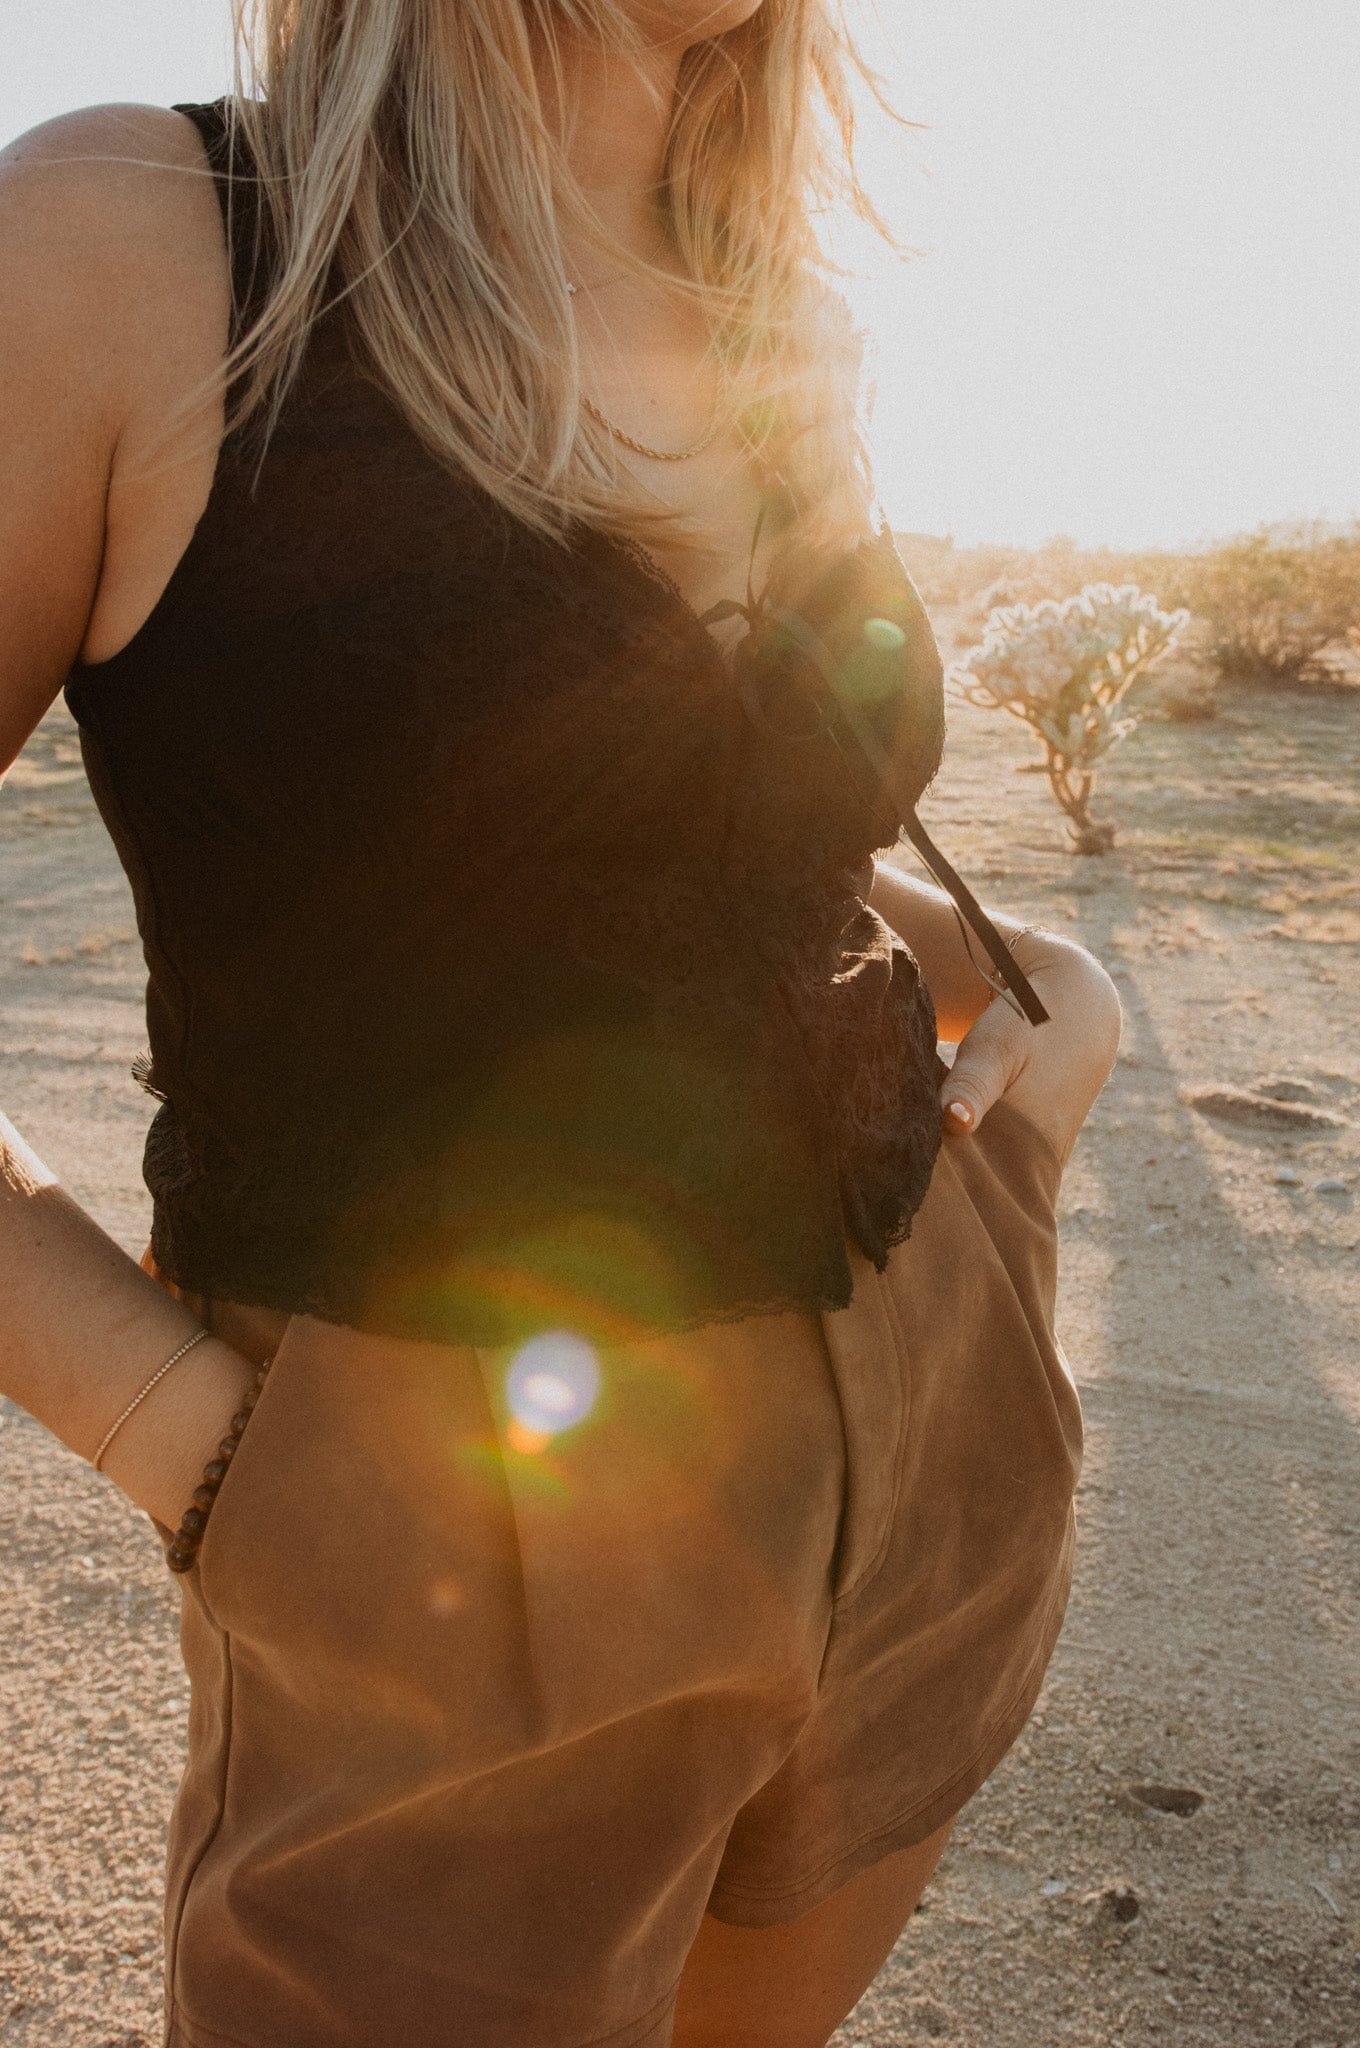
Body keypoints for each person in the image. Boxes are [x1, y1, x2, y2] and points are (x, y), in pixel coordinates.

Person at [0, 3, 1120, 2043]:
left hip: (930, 1433)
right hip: (438, 1552)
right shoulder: (135, 237)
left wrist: (1044, 992)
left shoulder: (776, 299)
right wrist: (190, 1442)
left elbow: (665, 839)